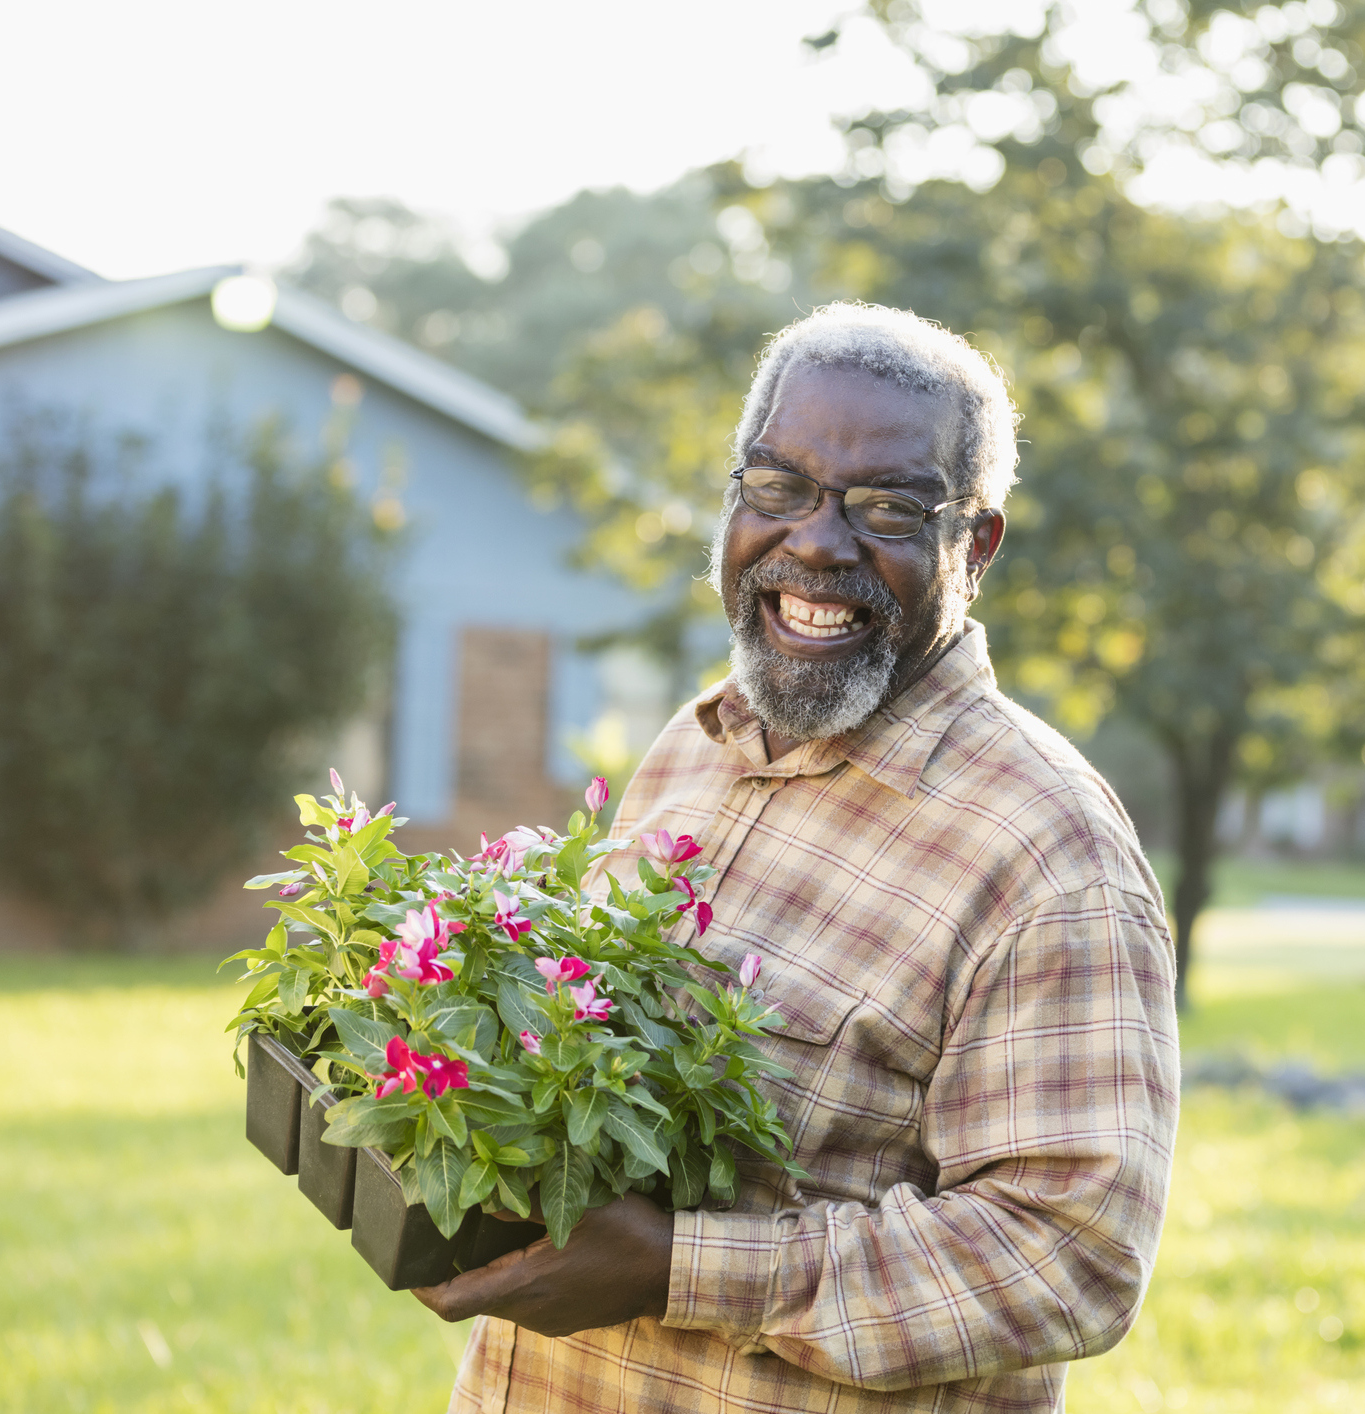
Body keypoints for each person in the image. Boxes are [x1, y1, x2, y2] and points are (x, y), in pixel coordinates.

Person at [417, 302, 1180, 1413]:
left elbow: (1069, 1254)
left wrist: (683, 1269)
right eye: (775, 488)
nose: (816, 544)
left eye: (886, 508)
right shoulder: (697, 745)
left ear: (976, 544)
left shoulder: (1048, 851)